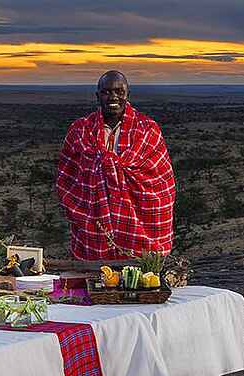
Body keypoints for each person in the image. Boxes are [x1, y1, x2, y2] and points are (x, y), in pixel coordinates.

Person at [55, 70, 176, 261]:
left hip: (138, 226)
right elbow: (67, 177)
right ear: (97, 96)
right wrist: (81, 208)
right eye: (106, 92)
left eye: (119, 92)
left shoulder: (147, 129)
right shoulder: (80, 130)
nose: (113, 97)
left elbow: (161, 183)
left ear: (128, 94)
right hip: (93, 224)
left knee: (142, 275)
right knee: (94, 275)